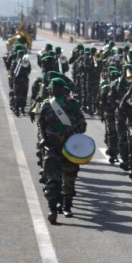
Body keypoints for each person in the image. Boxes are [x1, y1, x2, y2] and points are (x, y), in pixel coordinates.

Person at [36, 77, 87, 224]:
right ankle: (52, 209)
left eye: (57, 87)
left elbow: (82, 124)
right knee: (52, 180)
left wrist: (76, 130)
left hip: (69, 147)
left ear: (62, 89)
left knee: (69, 178)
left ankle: (67, 205)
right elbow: (41, 126)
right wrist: (43, 138)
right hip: (52, 148)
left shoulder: (72, 105)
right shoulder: (46, 106)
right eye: (52, 87)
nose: (54, 90)